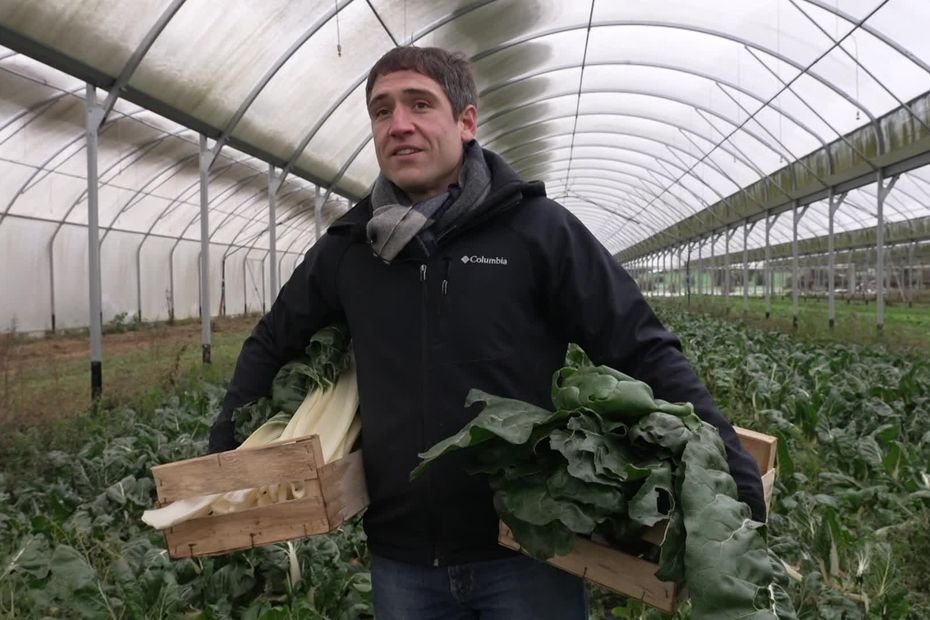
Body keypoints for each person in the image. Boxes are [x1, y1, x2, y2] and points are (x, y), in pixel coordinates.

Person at [209, 45, 765, 619]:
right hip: (401, 557)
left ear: (466, 121)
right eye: (381, 111)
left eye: (419, 104)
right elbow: (275, 342)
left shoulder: (536, 231)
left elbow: (638, 344)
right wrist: (223, 453)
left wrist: (730, 465)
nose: (399, 125)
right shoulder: (349, 249)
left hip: (529, 549)